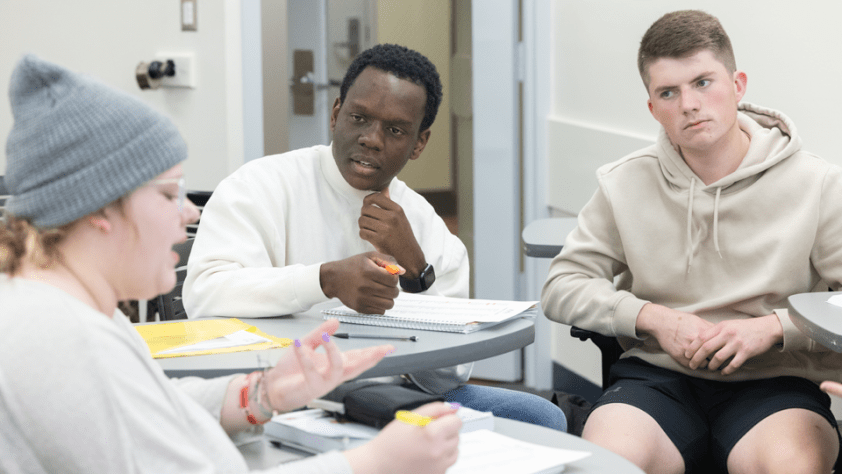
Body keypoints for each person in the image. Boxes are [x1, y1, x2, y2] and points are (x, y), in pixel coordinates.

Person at [0, 54, 463, 474]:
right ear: (99, 212)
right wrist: (373, 464)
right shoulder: (59, 339)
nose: (189, 213)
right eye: (167, 195)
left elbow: (156, 405)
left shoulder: (73, 314)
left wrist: (259, 394)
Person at [182, 43, 566, 431]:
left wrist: (417, 273)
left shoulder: (424, 225)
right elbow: (204, 293)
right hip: (283, 392)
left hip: (389, 395)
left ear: (419, 143)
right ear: (335, 115)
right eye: (359, 118)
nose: (372, 139)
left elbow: (448, 377)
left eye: (395, 130)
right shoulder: (262, 185)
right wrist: (324, 279)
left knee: (541, 418)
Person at [541, 10, 842, 474]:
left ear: (738, 85)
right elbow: (562, 286)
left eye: (703, 82)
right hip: (658, 377)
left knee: (790, 467)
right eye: (668, 92)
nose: (689, 104)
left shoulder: (818, 184)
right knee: (602, 466)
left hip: (777, 379)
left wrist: (775, 329)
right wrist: (651, 317)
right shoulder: (624, 182)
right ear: (652, 107)